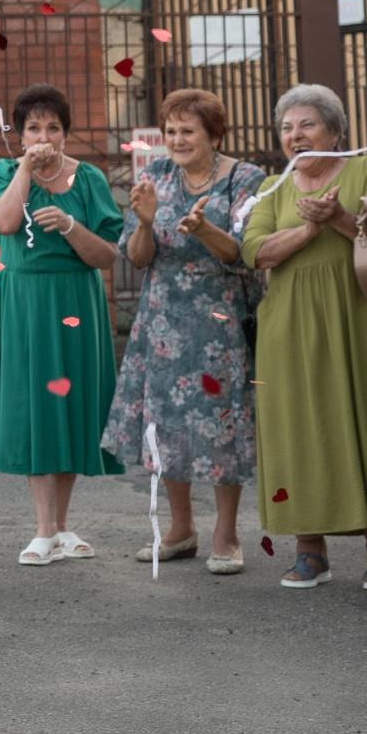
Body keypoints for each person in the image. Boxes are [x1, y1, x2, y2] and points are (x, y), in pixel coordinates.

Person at [240, 82, 367, 591]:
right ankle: (310, 552)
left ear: (334, 130)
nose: (295, 135)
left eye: (307, 124)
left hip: (362, 316)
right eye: (286, 127)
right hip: (291, 325)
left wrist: (342, 219)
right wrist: (308, 230)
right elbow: (255, 251)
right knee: (301, 429)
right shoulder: (274, 184)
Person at [103, 89, 263, 574]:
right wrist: (146, 224)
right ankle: (180, 529)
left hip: (220, 319)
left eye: (187, 131)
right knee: (166, 423)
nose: (177, 139)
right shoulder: (153, 177)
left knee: (222, 422)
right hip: (163, 319)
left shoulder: (244, 176)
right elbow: (136, 258)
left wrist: (203, 230)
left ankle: (227, 534)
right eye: (170, 131)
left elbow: (242, 252)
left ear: (214, 134)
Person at [0, 83, 125, 565]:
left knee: (71, 407)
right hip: (24, 301)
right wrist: (24, 170)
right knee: (36, 406)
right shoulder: (2, 172)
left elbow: (107, 255)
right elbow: (4, 223)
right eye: (33, 127)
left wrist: (71, 226)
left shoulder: (90, 179)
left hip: (76, 299)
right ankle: (43, 529)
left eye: (53, 127)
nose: (43, 136)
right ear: (19, 136)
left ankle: (60, 527)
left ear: (65, 133)